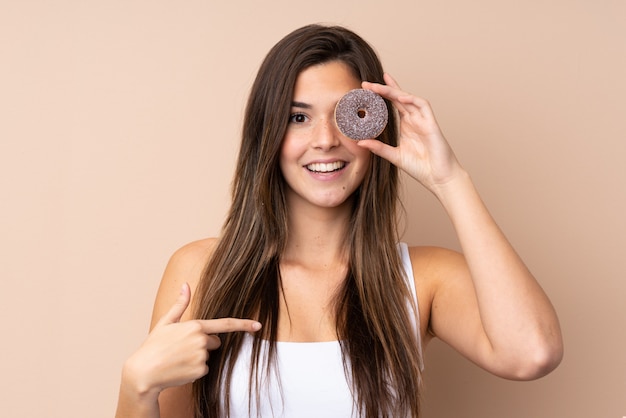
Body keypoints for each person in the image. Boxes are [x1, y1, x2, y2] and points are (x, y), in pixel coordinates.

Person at [115, 24, 563, 418]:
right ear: (267, 133)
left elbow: (532, 353)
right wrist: (137, 385)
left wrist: (449, 179)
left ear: (375, 126)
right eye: (299, 117)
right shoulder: (202, 270)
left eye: (346, 117)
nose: (326, 140)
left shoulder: (423, 278)